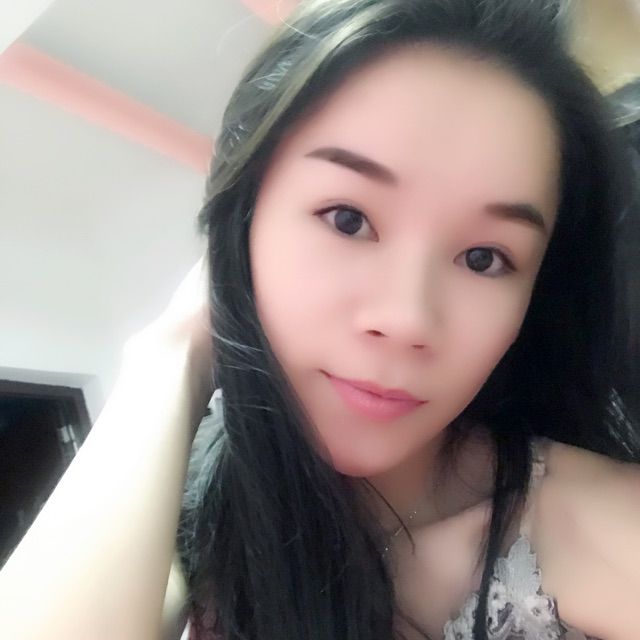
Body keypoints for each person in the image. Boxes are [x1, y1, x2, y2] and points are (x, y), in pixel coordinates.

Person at [0, 0, 639, 638]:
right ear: (244, 221)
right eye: (348, 219)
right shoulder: (202, 509)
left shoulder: (595, 525)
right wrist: (169, 357)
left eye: (484, 258)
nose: (406, 319)